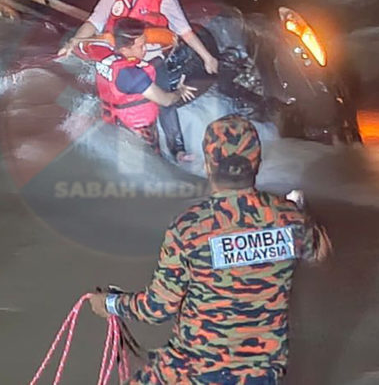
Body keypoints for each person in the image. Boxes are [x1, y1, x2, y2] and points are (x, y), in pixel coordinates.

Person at [89, 115, 332, 384]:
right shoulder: (290, 219)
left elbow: (157, 308)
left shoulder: (191, 227)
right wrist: (302, 213)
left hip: (194, 370)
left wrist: (109, 304)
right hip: (263, 373)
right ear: (257, 164)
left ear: (207, 166)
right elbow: (319, 253)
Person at [60, 0, 218, 158]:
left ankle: (177, 150)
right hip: (121, 57)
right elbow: (94, 22)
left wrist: (207, 57)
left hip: (151, 58)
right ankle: (94, 135)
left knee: (164, 102)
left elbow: (185, 32)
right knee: (110, 99)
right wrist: (74, 41)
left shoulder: (166, 0)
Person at [77, 17, 196, 155]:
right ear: (125, 49)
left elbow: (83, 44)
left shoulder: (100, 51)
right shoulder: (132, 76)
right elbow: (166, 100)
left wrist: (72, 43)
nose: (145, 50)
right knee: (153, 165)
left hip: (112, 124)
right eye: (140, 46)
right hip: (138, 132)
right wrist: (180, 91)